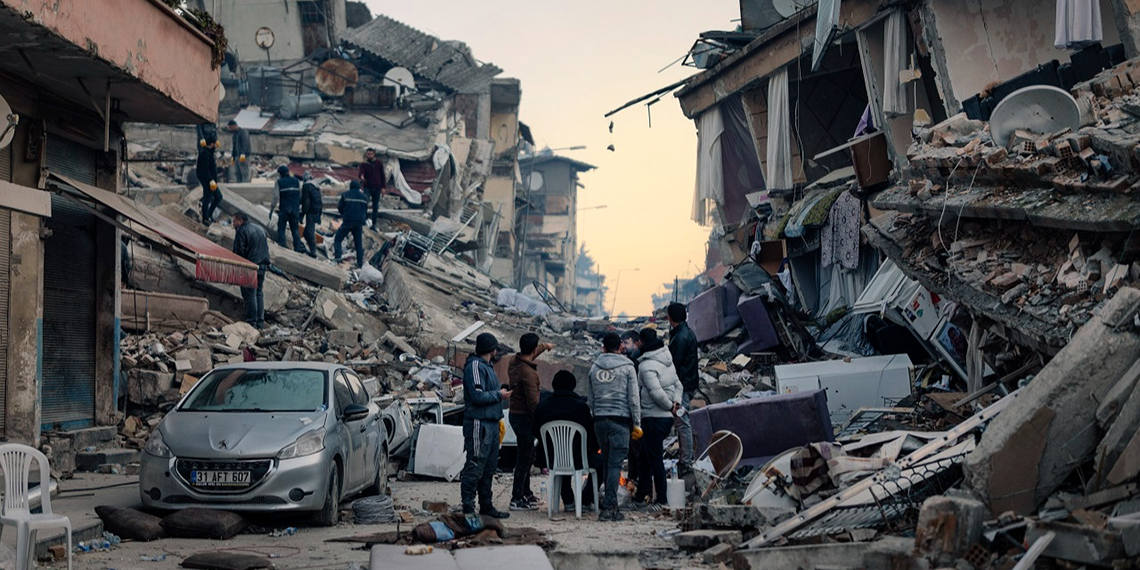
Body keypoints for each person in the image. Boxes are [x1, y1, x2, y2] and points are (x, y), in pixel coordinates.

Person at [588, 332, 641, 521]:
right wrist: (637, 423)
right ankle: (609, 507)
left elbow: (591, 400)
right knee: (615, 464)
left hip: (600, 421)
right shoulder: (628, 367)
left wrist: (596, 417)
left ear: (603, 348)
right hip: (620, 421)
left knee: (607, 461)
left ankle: (611, 507)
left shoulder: (594, 368)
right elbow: (633, 398)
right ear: (620, 347)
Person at [460, 333, 512, 519]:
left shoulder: (487, 366)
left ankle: (486, 506)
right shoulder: (475, 366)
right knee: (475, 465)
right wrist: (499, 395)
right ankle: (468, 507)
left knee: (489, 467)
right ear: (492, 350)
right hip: (478, 423)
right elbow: (477, 396)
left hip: (491, 423)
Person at [534, 371, 598, 512]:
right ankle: (585, 500)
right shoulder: (581, 407)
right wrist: (594, 448)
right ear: (573, 385)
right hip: (579, 458)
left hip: (551, 458)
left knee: (561, 459)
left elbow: (536, 431)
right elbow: (590, 434)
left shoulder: (542, 406)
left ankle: (568, 501)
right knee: (602, 462)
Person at [633, 327, 682, 509]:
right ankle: (640, 498)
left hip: (653, 417)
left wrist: (670, 406)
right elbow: (678, 385)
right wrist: (676, 404)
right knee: (645, 459)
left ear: (642, 343)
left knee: (654, 460)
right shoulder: (667, 360)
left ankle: (662, 500)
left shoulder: (646, 366)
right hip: (665, 418)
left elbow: (656, 393)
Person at [506, 333, 554, 511]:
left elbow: (531, 353)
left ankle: (525, 492)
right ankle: (517, 498)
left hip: (515, 414)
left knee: (527, 455)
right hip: (524, 417)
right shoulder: (528, 374)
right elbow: (533, 403)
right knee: (524, 458)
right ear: (533, 349)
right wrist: (542, 420)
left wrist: (545, 346)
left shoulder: (514, 361)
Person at [667, 302, 699, 472]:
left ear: (670, 318)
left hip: (683, 386)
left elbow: (675, 364)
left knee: (682, 422)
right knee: (681, 422)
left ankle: (686, 461)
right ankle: (684, 458)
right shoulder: (685, 333)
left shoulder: (680, 337)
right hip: (687, 383)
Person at [231, 213, 270, 329]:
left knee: (249, 294)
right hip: (262, 265)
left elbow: (239, 252)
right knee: (258, 292)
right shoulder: (260, 229)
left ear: (240, 220)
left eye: (234, 222)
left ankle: (252, 322)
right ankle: (260, 322)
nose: (233, 225)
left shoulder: (241, 231)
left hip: (250, 266)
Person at [270, 166, 306, 253]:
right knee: (295, 230)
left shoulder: (279, 182)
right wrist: (297, 205)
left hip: (284, 209)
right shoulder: (296, 181)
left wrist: (271, 209)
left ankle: (282, 249)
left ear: (280, 174)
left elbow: (275, 197)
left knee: (281, 229)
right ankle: (297, 249)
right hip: (295, 209)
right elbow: (301, 195)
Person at [334, 180, 368, 267]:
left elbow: (340, 207)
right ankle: (360, 263)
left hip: (348, 221)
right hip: (359, 223)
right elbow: (365, 210)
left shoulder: (346, 195)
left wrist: (344, 214)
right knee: (358, 244)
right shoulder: (364, 197)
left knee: (338, 239)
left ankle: (338, 258)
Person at [196, 136, 222, 225]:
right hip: (207, 180)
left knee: (218, 197)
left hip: (211, 180)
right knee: (207, 198)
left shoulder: (209, 151)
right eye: (214, 144)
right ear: (211, 144)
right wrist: (210, 180)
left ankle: (209, 215)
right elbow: (205, 169)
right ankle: (205, 219)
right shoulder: (205, 154)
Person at [357, 148, 385, 227]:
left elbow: (382, 176)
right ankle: (363, 221)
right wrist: (361, 176)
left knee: (375, 206)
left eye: (371, 154)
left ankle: (374, 224)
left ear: (374, 155)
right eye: (368, 154)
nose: (369, 156)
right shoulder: (364, 164)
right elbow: (361, 173)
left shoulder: (379, 163)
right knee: (365, 203)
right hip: (368, 187)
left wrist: (383, 187)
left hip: (377, 187)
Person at [300, 171, 322, 258]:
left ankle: (313, 252)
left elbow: (306, 202)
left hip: (311, 211)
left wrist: (302, 214)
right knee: (306, 232)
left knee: (310, 231)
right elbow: (320, 200)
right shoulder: (316, 185)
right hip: (317, 210)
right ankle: (310, 249)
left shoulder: (306, 186)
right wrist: (320, 214)